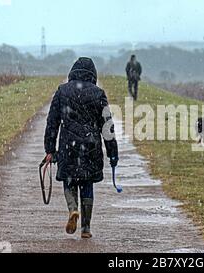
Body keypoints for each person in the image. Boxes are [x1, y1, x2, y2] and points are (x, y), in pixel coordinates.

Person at [44, 57, 118, 238]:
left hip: (68, 145)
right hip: (90, 146)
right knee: (87, 182)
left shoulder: (62, 91)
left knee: (69, 180)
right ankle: (86, 228)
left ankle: (72, 209)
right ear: (93, 75)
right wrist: (112, 153)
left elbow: (52, 122)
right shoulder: (99, 94)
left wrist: (50, 149)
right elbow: (107, 127)